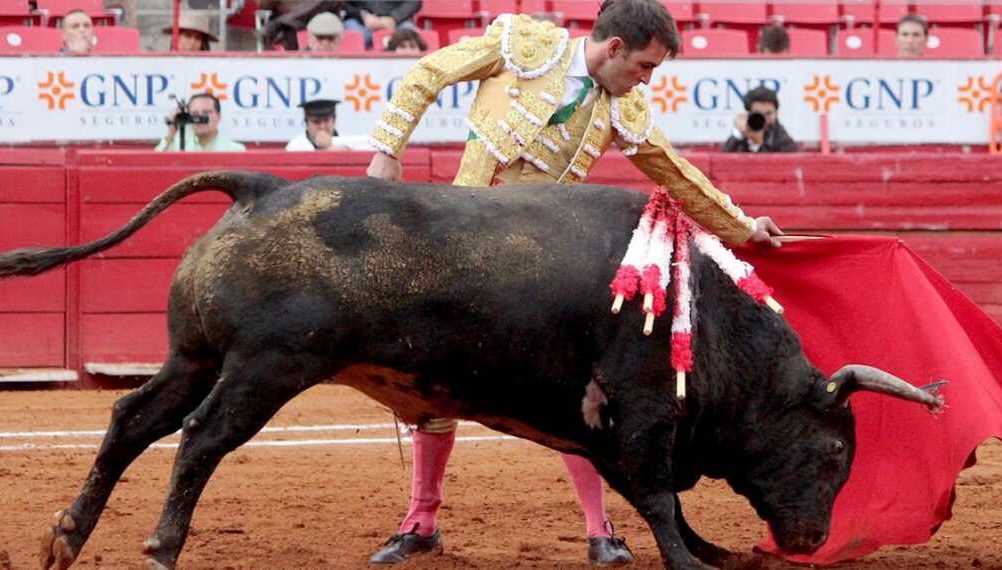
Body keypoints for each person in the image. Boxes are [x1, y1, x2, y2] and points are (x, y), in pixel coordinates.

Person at [365, 0, 784, 565]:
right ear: (614, 49)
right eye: (644, 66)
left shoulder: (622, 108)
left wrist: (741, 227)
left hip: (540, 274)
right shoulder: (522, 46)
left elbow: (672, 171)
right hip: (460, 249)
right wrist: (388, 150)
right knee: (435, 382)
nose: (645, 80)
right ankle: (422, 519)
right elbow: (428, 72)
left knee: (576, 396)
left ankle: (600, 530)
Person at [155, 93, 246, 152]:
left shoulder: (235, 150)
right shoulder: (175, 145)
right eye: (195, 113)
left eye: (206, 112)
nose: (199, 118)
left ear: (219, 116)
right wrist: (172, 130)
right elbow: (155, 165)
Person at [721, 86, 797, 153]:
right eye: (758, 114)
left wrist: (758, 142)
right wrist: (738, 133)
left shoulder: (783, 141)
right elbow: (722, 161)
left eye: (768, 113)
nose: (764, 119)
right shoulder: (743, 132)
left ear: (776, 113)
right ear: (749, 114)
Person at [285, 99, 370, 150]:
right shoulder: (295, 145)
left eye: (326, 121)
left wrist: (332, 142)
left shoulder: (345, 140)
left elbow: (372, 144)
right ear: (306, 123)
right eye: (316, 122)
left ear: (334, 120)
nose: (322, 126)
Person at [342, 1, 421, 49]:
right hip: (360, 21)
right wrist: (362, 14)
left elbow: (414, 2)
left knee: (412, 37)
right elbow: (343, 3)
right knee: (353, 38)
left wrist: (394, 18)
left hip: (396, 22)